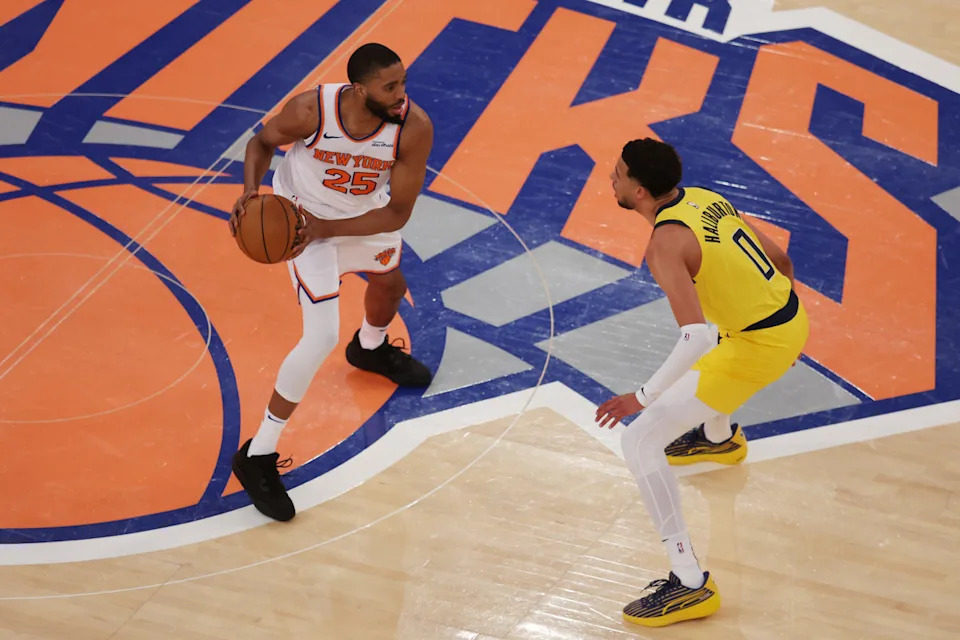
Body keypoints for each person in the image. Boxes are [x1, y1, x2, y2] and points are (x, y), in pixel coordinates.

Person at [595, 138, 808, 627]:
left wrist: (641, 397)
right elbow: (782, 263)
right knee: (720, 342)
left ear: (641, 191)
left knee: (639, 439)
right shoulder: (706, 197)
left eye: (619, 173)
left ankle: (689, 583)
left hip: (756, 346)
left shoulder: (665, 245)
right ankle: (717, 437)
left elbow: (693, 337)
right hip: (785, 320)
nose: (612, 178)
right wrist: (785, 331)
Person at [227, 43, 434, 522]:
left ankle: (370, 347)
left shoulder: (413, 127)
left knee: (390, 283)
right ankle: (258, 453)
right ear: (359, 90)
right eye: (391, 86)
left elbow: (397, 211)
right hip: (301, 227)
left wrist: (331, 229)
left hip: (361, 220)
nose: (402, 94)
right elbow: (261, 144)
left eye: (403, 81)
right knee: (319, 335)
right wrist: (250, 193)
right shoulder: (311, 110)